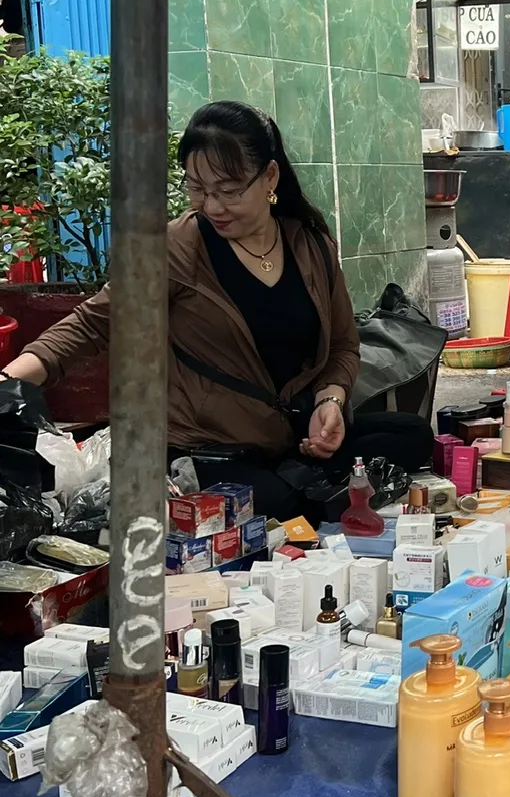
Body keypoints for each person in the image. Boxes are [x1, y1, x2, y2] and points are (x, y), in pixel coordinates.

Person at [4, 101, 433, 520]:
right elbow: (93, 324)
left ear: (269, 177)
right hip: (207, 447)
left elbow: (342, 345)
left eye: (227, 191)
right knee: (270, 500)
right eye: (197, 189)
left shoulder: (311, 246)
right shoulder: (173, 249)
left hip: (291, 436)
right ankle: (308, 491)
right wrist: (8, 382)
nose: (211, 206)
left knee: (411, 435)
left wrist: (331, 401)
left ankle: (308, 487)